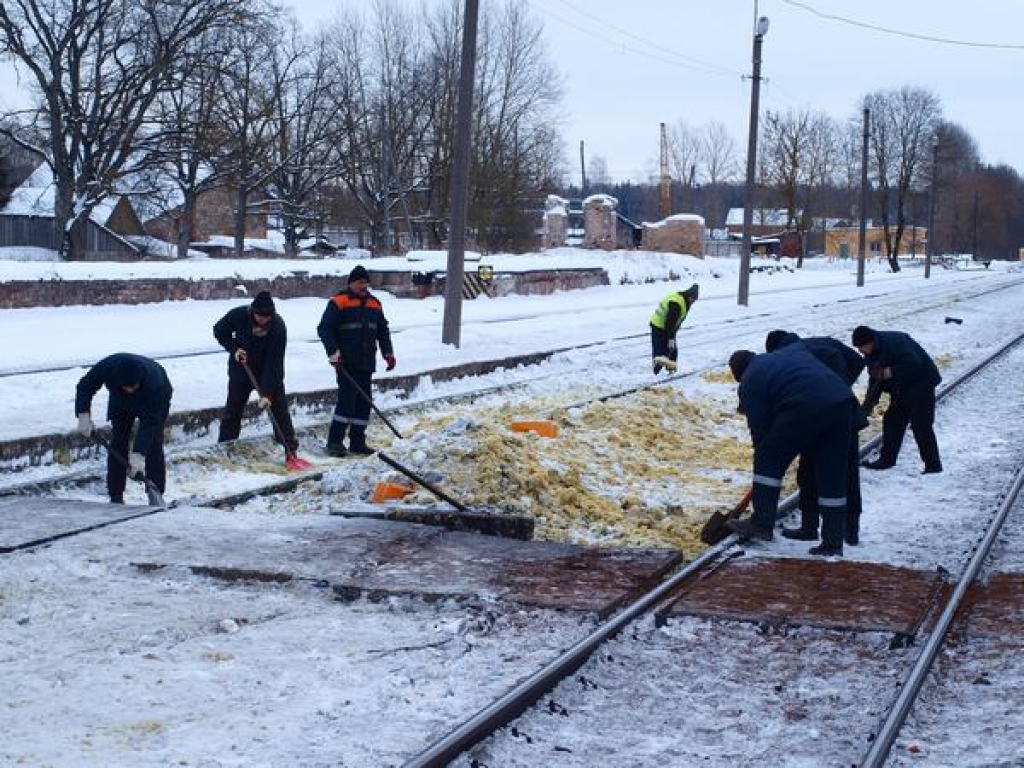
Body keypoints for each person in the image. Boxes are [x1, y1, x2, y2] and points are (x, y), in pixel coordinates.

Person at [725, 343, 856, 556]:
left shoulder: (750, 380)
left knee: (768, 456)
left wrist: (766, 463)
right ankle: (833, 541)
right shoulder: (783, 357)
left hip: (805, 404)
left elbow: (760, 429)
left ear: (739, 374)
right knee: (831, 474)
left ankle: (761, 522)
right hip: (842, 403)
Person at [765, 330, 867, 545]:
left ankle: (817, 528)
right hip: (837, 414)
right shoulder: (818, 343)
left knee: (819, 474)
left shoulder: (795, 357)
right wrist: (841, 387)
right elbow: (857, 360)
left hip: (826, 417)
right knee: (842, 474)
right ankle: (846, 531)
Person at [317, 265, 396, 456]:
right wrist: (333, 352)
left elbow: (382, 330)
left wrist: (388, 352)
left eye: (365, 283)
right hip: (346, 362)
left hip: (366, 361)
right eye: (360, 282)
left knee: (364, 402)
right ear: (351, 283)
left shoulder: (374, 304)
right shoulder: (339, 302)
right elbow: (324, 328)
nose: (364, 286)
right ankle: (335, 442)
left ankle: (357, 442)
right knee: (346, 402)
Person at [213, 290, 301, 460]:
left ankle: (290, 451)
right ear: (252, 312)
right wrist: (234, 349)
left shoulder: (277, 327)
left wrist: (267, 393)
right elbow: (219, 331)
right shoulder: (238, 315)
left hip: (266, 371)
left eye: (267, 317)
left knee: (279, 410)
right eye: (260, 316)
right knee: (233, 409)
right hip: (242, 368)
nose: (263, 320)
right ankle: (225, 448)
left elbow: (275, 363)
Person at [75, 353, 173, 504]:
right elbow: (84, 387)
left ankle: (156, 493)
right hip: (119, 401)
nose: (130, 391)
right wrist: (83, 415)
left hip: (153, 399)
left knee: (153, 443)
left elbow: (149, 424)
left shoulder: (155, 383)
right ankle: (115, 494)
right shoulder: (107, 367)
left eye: (133, 387)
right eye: (126, 387)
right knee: (119, 441)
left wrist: (138, 455)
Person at [851, 325, 942, 474]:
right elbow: (875, 381)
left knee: (921, 426)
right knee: (892, 422)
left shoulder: (895, 342)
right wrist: (867, 407)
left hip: (921, 384)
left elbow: (914, 363)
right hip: (901, 389)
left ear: (871, 341)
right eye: (859, 349)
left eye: (862, 347)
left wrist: (889, 372)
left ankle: (933, 465)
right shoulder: (871, 353)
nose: (861, 351)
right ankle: (886, 460)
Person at [649, 283, 699, 373]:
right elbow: (669, 323)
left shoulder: (686, 301)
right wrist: (671, 338)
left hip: (668, 327)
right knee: (659, 350)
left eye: (695, 300)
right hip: (658, 325)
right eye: (692, 299)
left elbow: (676, 320)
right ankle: (655, 371)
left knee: (672, 350)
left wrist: (673, 335)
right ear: (688, 295)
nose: (693, 301)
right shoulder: (677, 303)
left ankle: (671, 370)